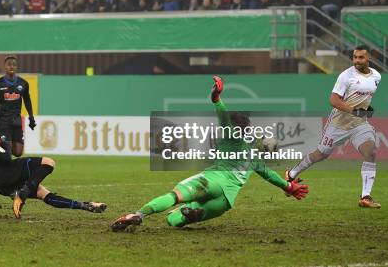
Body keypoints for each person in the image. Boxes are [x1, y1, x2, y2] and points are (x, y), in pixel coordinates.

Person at [111, 76, 308, 231]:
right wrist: (289, 187)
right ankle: (190, 214)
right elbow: (270, 175)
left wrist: (216, 99)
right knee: (173, 220)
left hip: (210, 182)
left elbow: (223, 118)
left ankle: (138, 214)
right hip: (225, 201)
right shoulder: (255, 159)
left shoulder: (232, 137)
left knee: (174, 196)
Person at [0, 108, 106, 219]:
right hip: (7, 173)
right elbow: (6, 158)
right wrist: (5, 140)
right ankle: (23, 193)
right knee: (48, 162)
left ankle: (87, 206)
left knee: (42, 193)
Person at [287, 46, 381, 208]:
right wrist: (354, 110)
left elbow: (364, 97)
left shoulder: (377, 76)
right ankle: (291, 174)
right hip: (339, 123)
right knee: (320, 154)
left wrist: (365, 110)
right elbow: (334, 100)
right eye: (355, 57)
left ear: (368, 58)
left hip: (359, 124)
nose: (357, 61)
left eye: (361, 58)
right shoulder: (346, 76)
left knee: (370, 152)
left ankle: (365, 197)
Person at [0, 56, 35, 157]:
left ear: (16, 67)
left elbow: (27, 100)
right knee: (7, 151)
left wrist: (31, 117)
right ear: (5, 67)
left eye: (13, 64)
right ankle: (0, 158)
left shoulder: (23, 83)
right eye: (9, 64)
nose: (11, 66)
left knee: (18, 152)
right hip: (3, 120)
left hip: (17, 120)